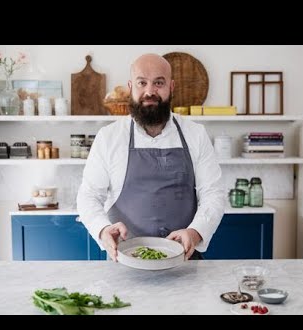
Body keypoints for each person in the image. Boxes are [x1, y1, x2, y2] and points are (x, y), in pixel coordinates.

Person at [76, 53, 225, 261]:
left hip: (184, 261)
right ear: (131, 87)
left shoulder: (196, 134)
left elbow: (214, 193)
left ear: (171, 87)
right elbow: (88, 196)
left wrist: (195, 232)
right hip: (125, 262)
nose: (150, 91)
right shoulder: (109, 137)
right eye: (142, 83)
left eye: (159, 83)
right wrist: (102, 229)